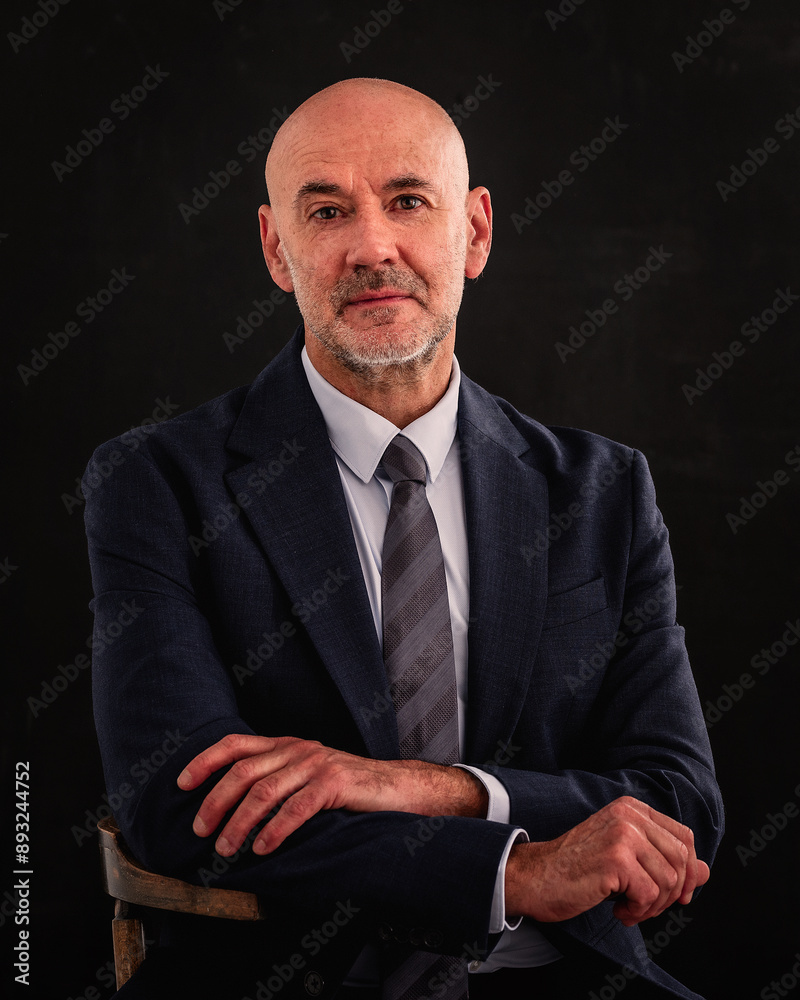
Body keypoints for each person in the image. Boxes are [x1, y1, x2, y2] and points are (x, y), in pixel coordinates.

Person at [85, 78, 724, 999]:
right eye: (328, 210)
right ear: (276, 248)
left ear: (476, 233)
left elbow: (679, 802)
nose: (372, 246)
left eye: (409, 202)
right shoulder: (157, 481)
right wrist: (510, 871)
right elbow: (179, 803)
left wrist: (430, 789)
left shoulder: (602, 491)